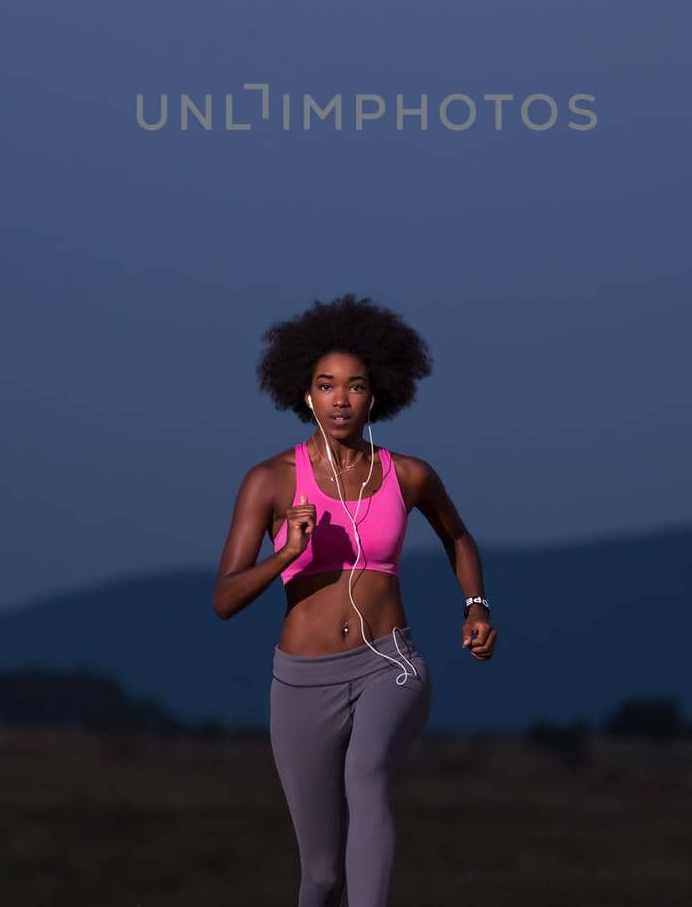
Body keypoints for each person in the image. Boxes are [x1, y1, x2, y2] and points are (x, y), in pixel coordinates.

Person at [212, 292, 497, 907]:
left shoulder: (410, 474)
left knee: (366, 775)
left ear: (377, 394)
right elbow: (225, 600)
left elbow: (459, 536)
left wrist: (476, 605)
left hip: (389, 664)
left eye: (355, 386)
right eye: (326, 385)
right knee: (320, 876)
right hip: (301, 679)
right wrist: (285, 554)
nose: (340, 399)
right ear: (304, 395)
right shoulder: (270, 481)